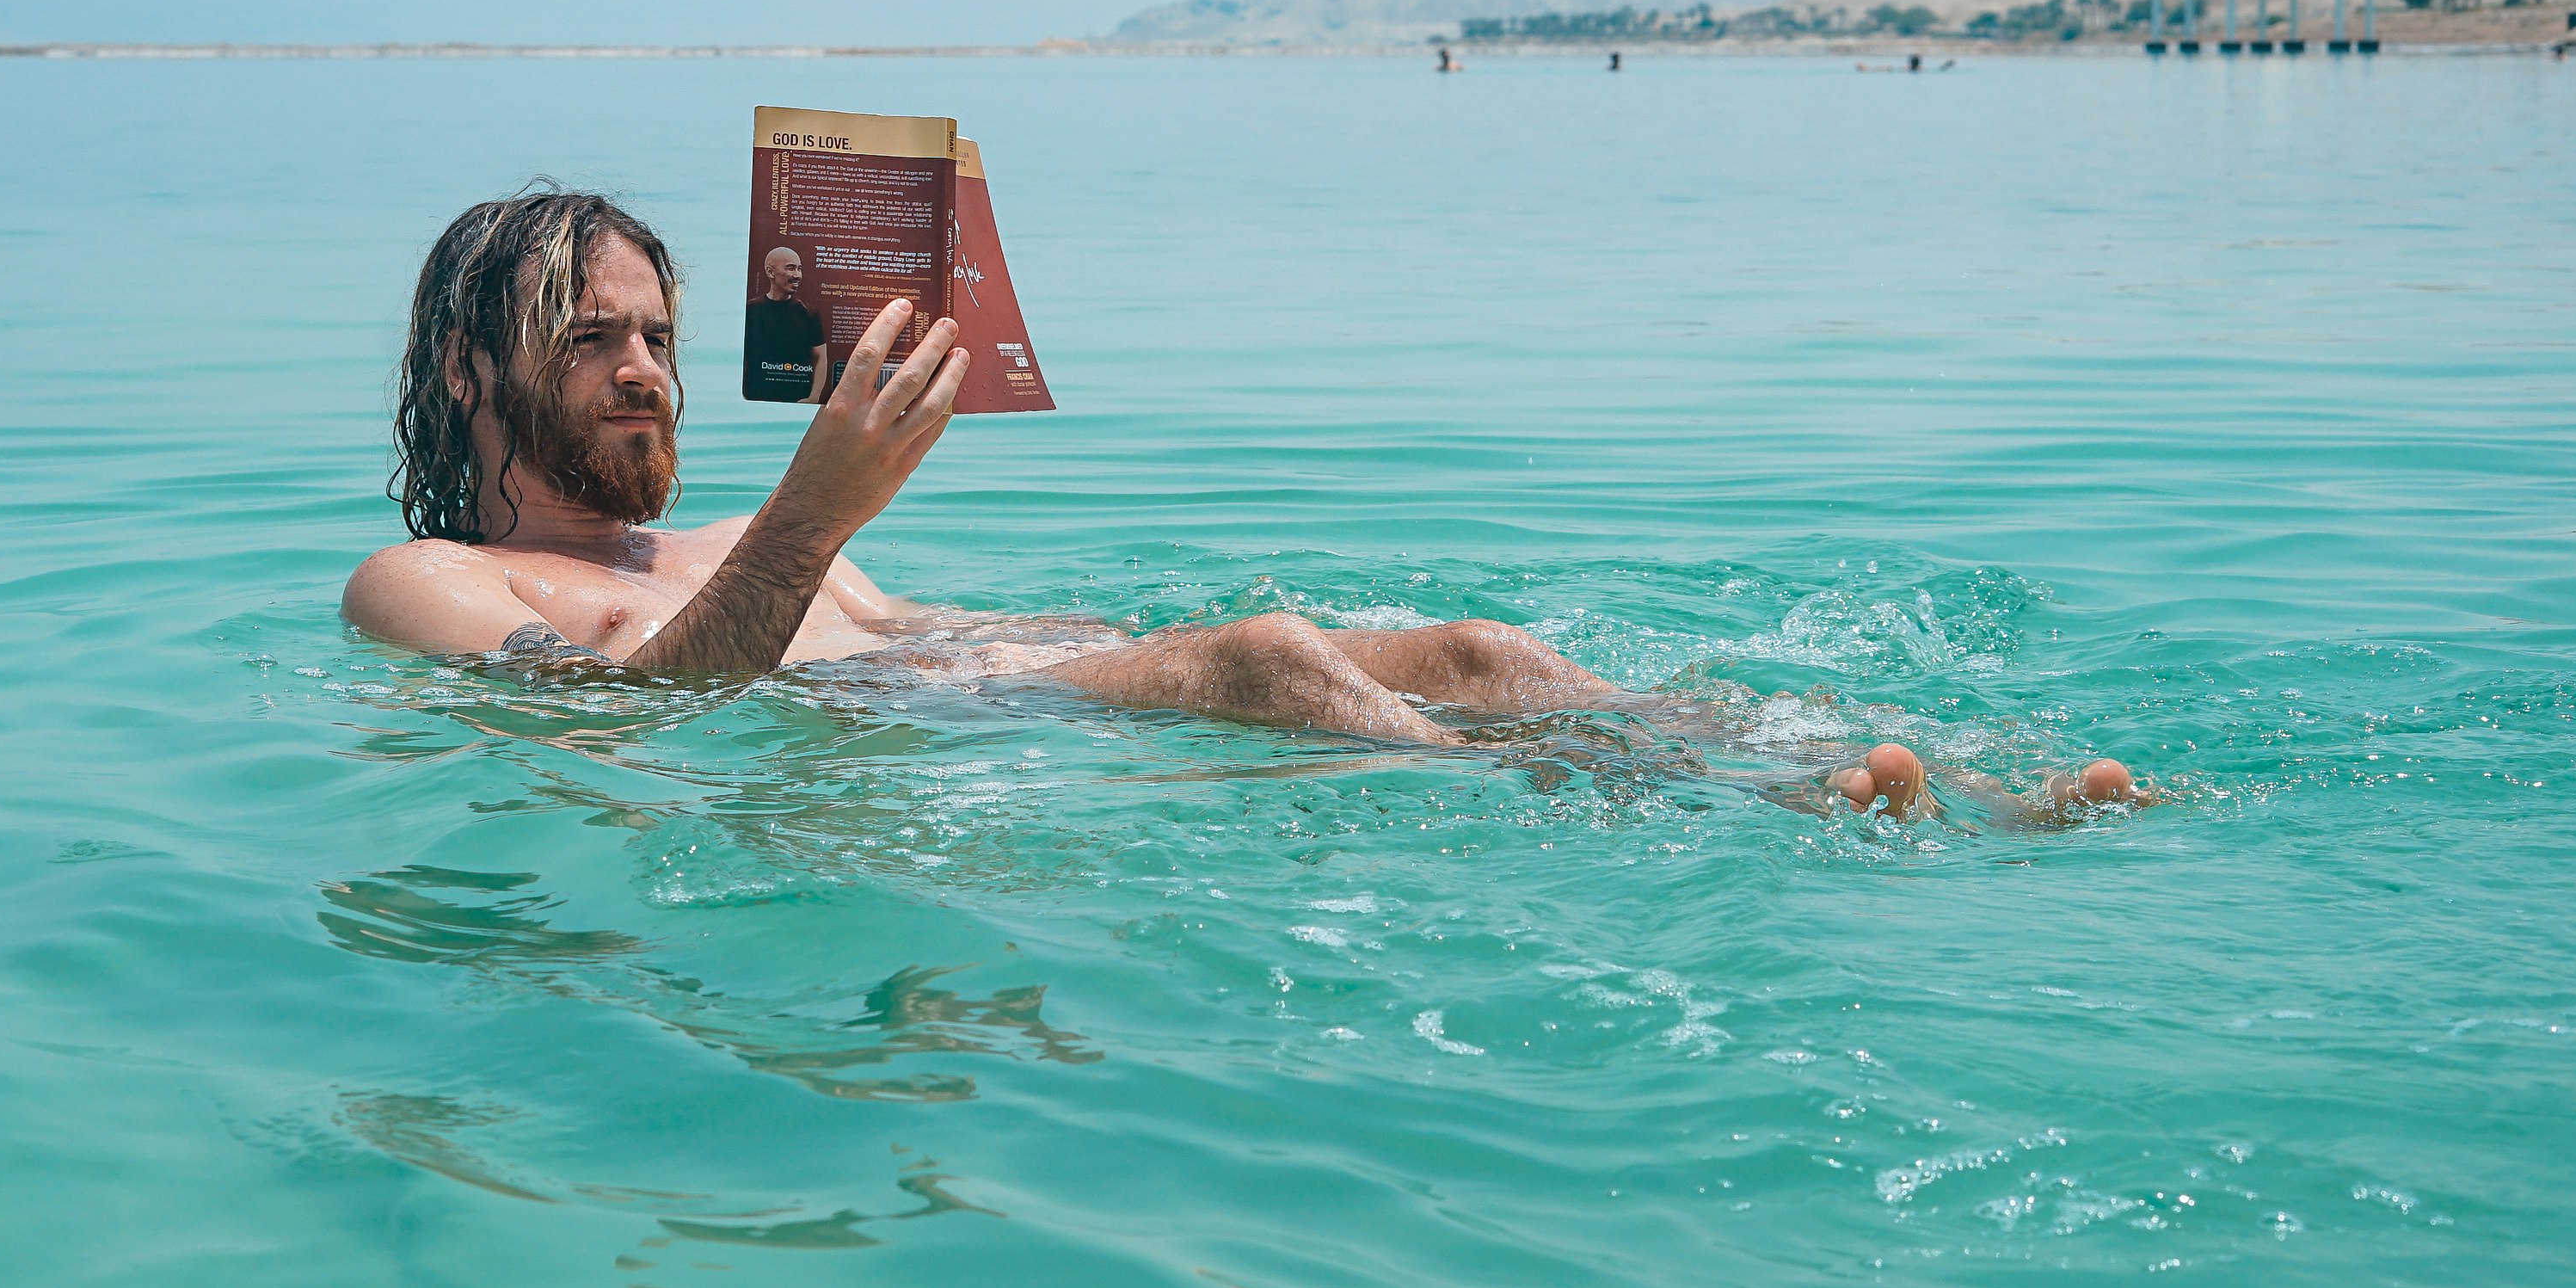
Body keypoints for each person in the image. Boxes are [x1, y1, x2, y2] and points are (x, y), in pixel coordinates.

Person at [342, 188, 2150, 824]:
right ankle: (1765, 821)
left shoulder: (734, 538)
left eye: (661, 332)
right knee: (1273, 659)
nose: (650, 366)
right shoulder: (418, 577)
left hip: (1016, 678)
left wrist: (830, 519)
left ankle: (1972, 797)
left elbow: (915, 635)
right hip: (955, 743)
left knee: (1476, 643)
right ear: (466, 371)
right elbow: (619, 727)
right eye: (596, 340)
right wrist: (816, 518)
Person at [741, 244, 829, 404]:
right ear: (770, 272)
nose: (797, 275)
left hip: (797, 403)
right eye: (790, 268)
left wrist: (814, 396)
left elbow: (820, 357)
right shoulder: (750, 310)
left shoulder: (809, 313)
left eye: (799, 269)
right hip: (756, 402)